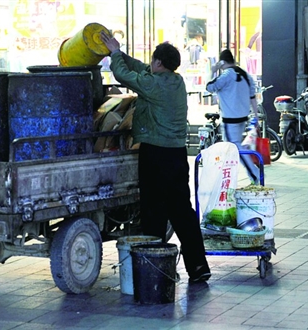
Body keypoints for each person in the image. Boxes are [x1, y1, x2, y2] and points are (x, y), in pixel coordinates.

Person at [99, 31, 211, 283]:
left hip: (155, 154)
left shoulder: (153, 85)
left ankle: (154, 271)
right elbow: (140, 69)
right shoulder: (175, 81)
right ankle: (198, 267)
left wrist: (115, 54)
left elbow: (124, 76)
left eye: (153, 61)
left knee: (153, 211)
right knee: (182, 210)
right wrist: (120, 53)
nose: (150, 64)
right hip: (177, 155)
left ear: (158, 62)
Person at [206, 49, 260, 184]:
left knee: (234, 147)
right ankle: (227, 178)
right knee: (231, 147)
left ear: (222, 62)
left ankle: (255, 174)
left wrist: (212, 71)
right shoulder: (246, 75)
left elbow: (209, 87)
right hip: (243, 117)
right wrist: (256, 116)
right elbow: (253, 97)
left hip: (230, 119)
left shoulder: (226, 75)